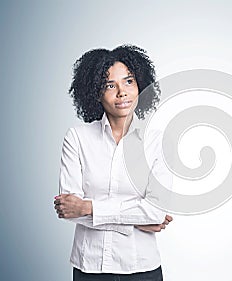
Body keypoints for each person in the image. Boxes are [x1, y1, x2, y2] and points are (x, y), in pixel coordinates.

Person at [54, 45, 172, 281]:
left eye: (129, 82)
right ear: (96, 93)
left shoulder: (157, 141)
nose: (122, 92)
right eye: (110, 85)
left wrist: (90, 208)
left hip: (143, 268)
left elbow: (156, 211)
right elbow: (69, 210)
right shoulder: (77, 138)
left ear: (140, 85)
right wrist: (137, 221)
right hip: (90, 267)